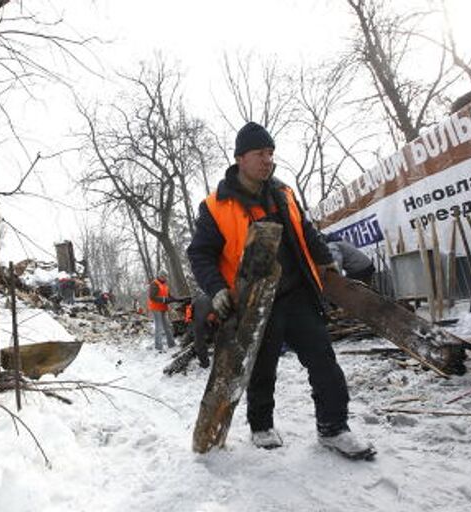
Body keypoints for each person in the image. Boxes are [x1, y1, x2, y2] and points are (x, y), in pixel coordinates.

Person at [187, 121, 374, 459]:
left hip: (298, 293)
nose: (267, 159)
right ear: (240, 158)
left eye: (271, 153)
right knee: (262, 366)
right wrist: (215, 289)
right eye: (260, 153)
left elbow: (306, 231)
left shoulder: (283, 192)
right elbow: (199, 254)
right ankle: (261, 426)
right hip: (255, 300)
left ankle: (334, 428)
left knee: (324, 361)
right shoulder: (215, 206)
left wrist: (325, 262)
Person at [147, 271, 177, 352]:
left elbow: (168, 295)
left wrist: (174, 298)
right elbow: (152, 297)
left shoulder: (165, 284)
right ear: (160, 276)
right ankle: (158, 347)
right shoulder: (154, 284)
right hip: (156, 308)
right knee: (159, 327)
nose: (165, 278)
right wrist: (164, 299)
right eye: (164, 276)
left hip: (163, 308)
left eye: (166, 277)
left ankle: (172, 344)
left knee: (167, 326)